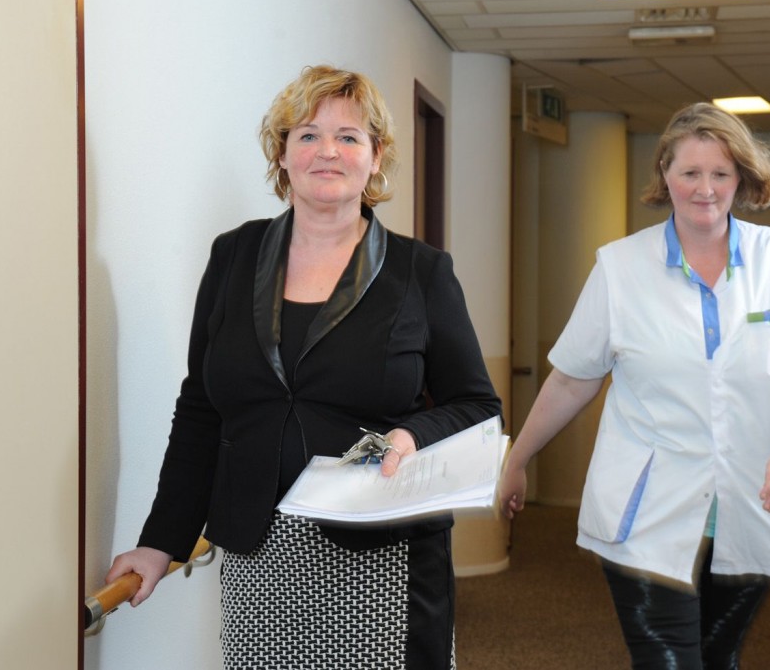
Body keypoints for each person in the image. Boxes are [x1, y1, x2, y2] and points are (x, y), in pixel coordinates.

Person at [105, 65, 501, 669]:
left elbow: (478, 406)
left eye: (349, 137)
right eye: (309, 134)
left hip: (384, 558)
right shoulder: (234, 256)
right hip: (259, 557)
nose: (328, 151)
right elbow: (202, 408)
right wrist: (161, 541)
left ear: (376, 156)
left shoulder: (420, 272)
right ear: (283, 154)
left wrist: (410, 434)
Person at [499, 102, 770, 670]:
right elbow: (571, 380)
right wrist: (517, 459)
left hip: (753, 502)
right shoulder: (620, 268)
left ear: (741, 177)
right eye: (690, 172)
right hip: (646, 512)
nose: (705, 189)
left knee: (720, 658)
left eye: (720, 173)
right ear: (665, 173)